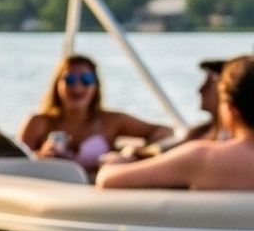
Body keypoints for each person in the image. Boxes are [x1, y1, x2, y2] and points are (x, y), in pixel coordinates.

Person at [98, 55, 254, 190]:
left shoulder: (202, 158)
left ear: (231, 109)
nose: (200, 90)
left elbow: (107, 179)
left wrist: (118, 161)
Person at [18, 55, 169, 171]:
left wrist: (132, 155)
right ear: (57, 85)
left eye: (86, 79)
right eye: (70, 79)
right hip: (51, 190)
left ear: (96, 86)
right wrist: (40, 156)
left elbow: (164, 131)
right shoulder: (37, 122)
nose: (77, 86)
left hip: (96, 192)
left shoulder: (112, 121)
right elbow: (14, 163)